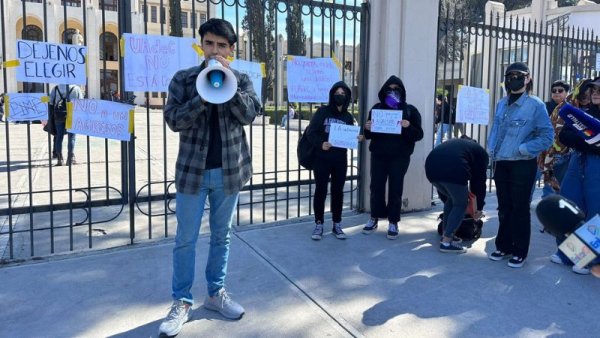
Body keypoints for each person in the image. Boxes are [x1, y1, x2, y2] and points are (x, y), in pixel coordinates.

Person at [159, 18, 261, 337]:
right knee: (185, 239)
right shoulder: (185, 79)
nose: (214, 51)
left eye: (221, 45)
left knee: (222, 236)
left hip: (229, 172)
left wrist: (226, 84)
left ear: (231, 49)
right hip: (192, 173)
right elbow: (173, 120)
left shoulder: (240, 79)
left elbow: (249, 114)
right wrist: (201, 96)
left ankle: (215, 294)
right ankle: (182, 302)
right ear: (201, 44)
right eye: (209, 44)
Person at [487, 62, 553, 268]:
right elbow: (496, 129)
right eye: (509, 75)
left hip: (522, 164)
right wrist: (491, 149)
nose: (512, 78)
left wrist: (524, 149)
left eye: (518, 75)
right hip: (501, 162)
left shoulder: (535, 105)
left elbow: (547, 136)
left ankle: (519, 250)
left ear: (528, 78)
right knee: (504, 207)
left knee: (520, 207)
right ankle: (503, 246)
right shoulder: (501, 103)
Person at [362, 76, 424, 239]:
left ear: (402, 91)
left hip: (400, 157)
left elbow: (419, 135)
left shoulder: (410, 110)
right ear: (384, 91)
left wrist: (408, 126)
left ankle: (393, 221)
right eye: (389, 88)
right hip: (379, 155)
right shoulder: (376, 108)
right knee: (376, 187)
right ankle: (374, 217)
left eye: (397, 89)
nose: (393, 92)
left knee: (396, 189)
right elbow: (368, 134)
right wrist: (367, 128)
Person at [552, 77, 600, 275]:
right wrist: (591, 143)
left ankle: (588, 259)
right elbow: (564, 135)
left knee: (595, 212)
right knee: (569, 205)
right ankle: (567, 252)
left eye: (599, 89)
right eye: (593, 88)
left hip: (596, 166)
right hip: (578, 161)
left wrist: (585, 142)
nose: (595, 92)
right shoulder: (584, 113)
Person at [306, 81, 361, 240]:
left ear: (347, 97)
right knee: (321, 190)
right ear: (332, 95)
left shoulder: (348, 117)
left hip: (340, 160)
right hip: (321, 159)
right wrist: (321, 144)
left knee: (338, 192)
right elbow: (311, 133)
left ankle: (337, 224)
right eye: (337, 93)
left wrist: (356, 138)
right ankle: (319, 224)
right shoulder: (322, 112)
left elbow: (350, 137)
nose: (339, 96)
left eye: (343, 94)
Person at [425, 136, 488, 253]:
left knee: (451, 198)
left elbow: (445, 193)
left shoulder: (455, 145)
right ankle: (446, 242)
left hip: (431, 168)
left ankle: (446, 234)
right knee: (460, 203)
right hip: (453, 170)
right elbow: (479, 183)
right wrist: (478, 208)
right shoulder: (480, 152)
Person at [536, 80, 571, 199]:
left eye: (560, 91)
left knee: (558, 179)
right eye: (554, 91)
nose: (556, 93)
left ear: (567, 92)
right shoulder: (544, 107)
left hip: (563, 151)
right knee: (536, 177)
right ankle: (546, 201)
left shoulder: (571, 108)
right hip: (544, 150)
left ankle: (553, 201)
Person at [49, 84, 84, 166]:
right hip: (72, 114)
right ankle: (70, 158)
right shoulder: (76, 88)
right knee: (71, 137)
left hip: (59, 114)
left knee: (59, 136)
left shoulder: (56, 88)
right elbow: (81, 102)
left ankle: (59, 158)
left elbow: (51, 102)